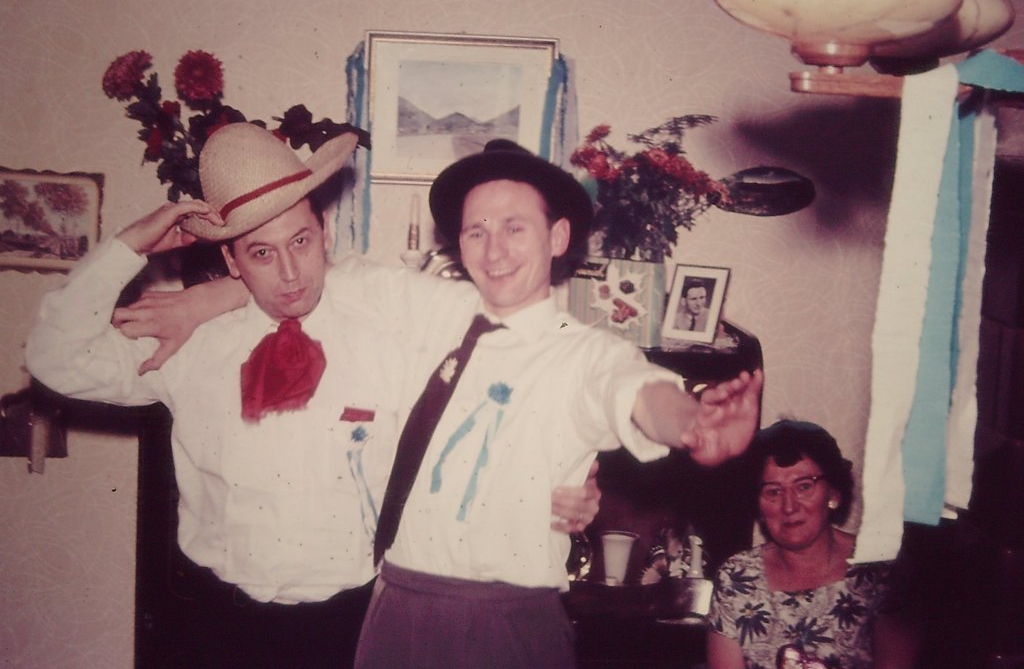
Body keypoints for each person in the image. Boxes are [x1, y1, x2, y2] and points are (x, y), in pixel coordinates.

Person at [24, 124, 599, 669]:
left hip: (349, 626)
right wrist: (127, 248)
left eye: (300, 241)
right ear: (230, 260)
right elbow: (55, 360)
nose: (290, 274)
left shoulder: (392, 329)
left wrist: (570, 476)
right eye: (261, 254)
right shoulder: (189, 341)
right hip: (213, 623)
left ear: (325, 232)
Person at [348, 140, 763, 668]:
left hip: (505, 626)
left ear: (558, 237)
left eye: (514, 228)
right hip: (396, 610)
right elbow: (338, 281)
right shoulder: (430, 311)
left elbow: (634, 388)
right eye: (476, 231)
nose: (493, 251)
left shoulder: (583, 350)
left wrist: (692, 422)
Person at [706, 420, 920, 669]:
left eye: (804, 486)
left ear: (833, 493)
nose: (789, 506)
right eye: (773, 492)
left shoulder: (879, 570)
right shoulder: (736, 578)